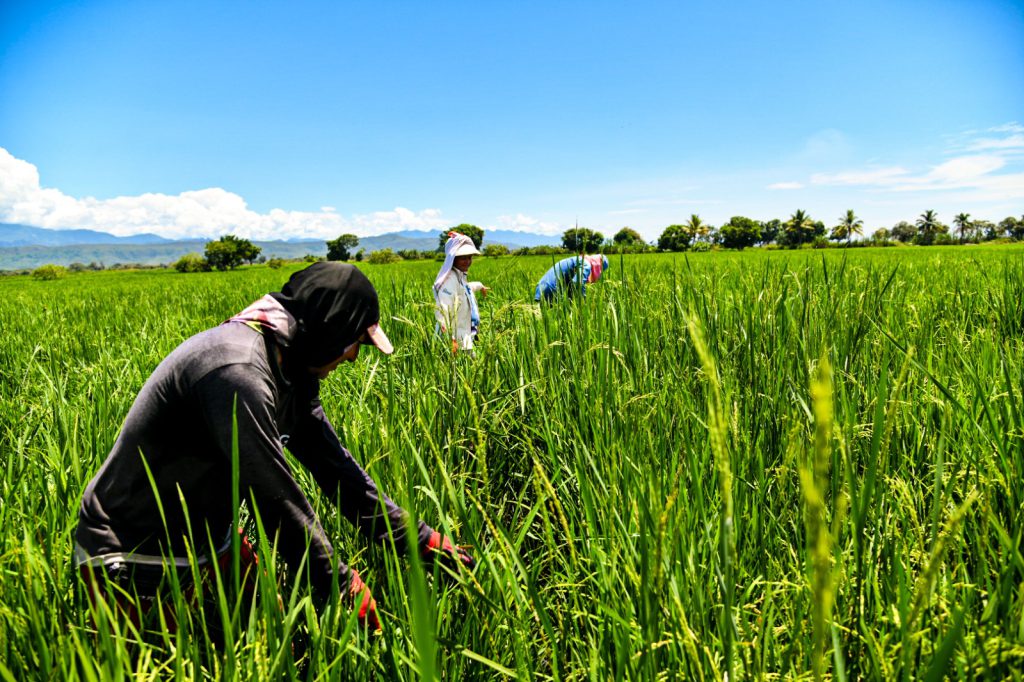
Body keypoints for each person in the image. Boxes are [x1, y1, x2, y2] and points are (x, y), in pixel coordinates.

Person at [75, 262, 475, 634]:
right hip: (133, 552)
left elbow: (338, 471)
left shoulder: (291, 368)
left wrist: (421, 539)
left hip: (207, 539)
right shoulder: (238, 372)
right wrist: (342, 584)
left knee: (269, 631)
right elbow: (274, 500)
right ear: (329, 331)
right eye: (354, 341)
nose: (353, 357)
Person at [434, 232, 489, 352]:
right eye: (463, 258)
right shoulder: (449, 281)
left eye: (470, 257)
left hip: (466, 335)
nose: (468, 261)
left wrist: (480, 286)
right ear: (453, 259)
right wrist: (450, 339)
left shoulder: (460, 276)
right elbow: (442, 311)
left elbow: (466, 289)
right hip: (455, 341)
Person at [534, 254, 610, 302]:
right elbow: (577, 283)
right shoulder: (585, 263)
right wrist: (584, 302)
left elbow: (572, 285)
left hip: (542, 289)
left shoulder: (577, 259)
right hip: (552, 291)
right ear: (598, 266)